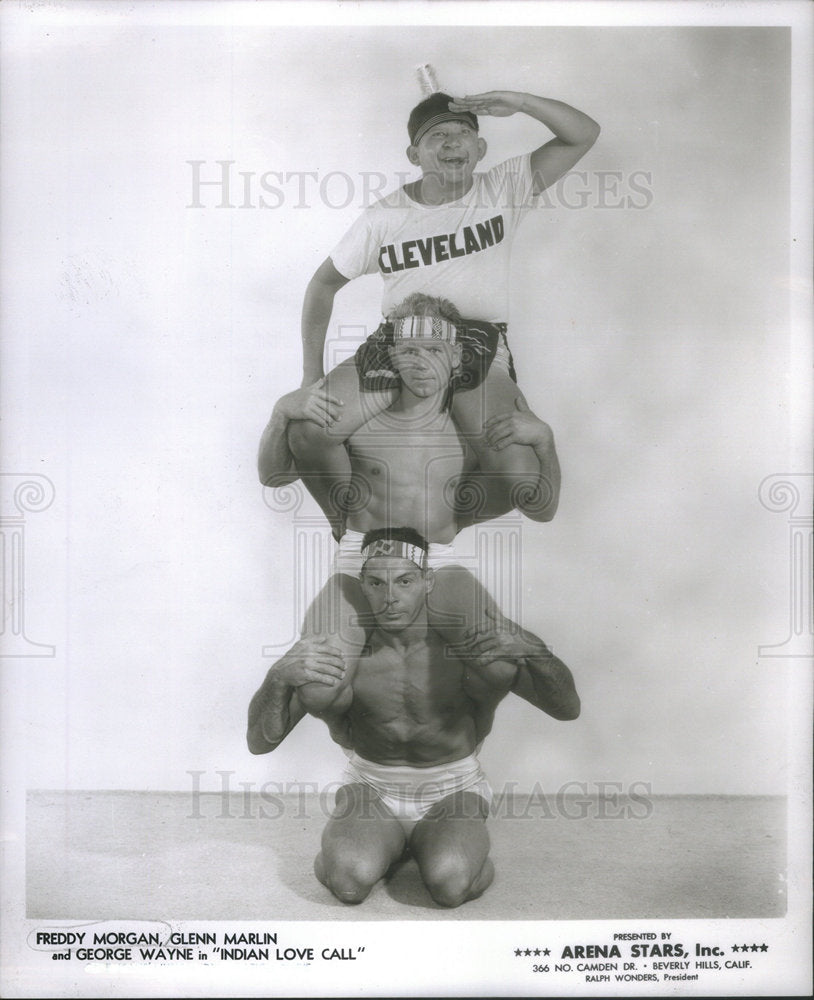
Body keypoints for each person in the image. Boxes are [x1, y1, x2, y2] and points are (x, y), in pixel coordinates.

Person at [286, 87, 599, 529]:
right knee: (308, 431)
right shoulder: (384, 216)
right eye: (437, 136)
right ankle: (349, 526)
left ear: (480, 149)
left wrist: (520, 103)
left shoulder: (504, 187)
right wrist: (310, 377)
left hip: (476, 340)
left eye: (462, 133)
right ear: (414, 155)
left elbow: (583, 134)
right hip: (400, 339)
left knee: (520, 477)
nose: (452, 143)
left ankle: (442, 525)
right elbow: (322, 285)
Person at [247, 528, 580, 908]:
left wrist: (537, 651)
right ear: (362, 585)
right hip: (371, 787)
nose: (390, 597)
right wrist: (278, 676)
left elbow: (567, 709)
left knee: (451, 885)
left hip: (453, 789)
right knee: (349, 882)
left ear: (428, 582)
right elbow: (259, 742)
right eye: (376, 583)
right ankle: (386, 844)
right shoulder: (345, 658)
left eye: (404, 581)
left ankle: (431, 845)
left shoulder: (465, 652)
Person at [259, 293, 561, 659]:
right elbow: (273, 477)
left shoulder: (475, 438)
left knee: (502, 664)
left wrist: (545, 441)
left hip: (436, 558)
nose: (421, 363)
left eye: (434, 350)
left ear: (456, 356)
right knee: (320, 673)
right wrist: (280, 414)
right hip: (361, 555)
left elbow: (542, 509)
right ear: (392, 355)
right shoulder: (357, 424)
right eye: (409, 351)